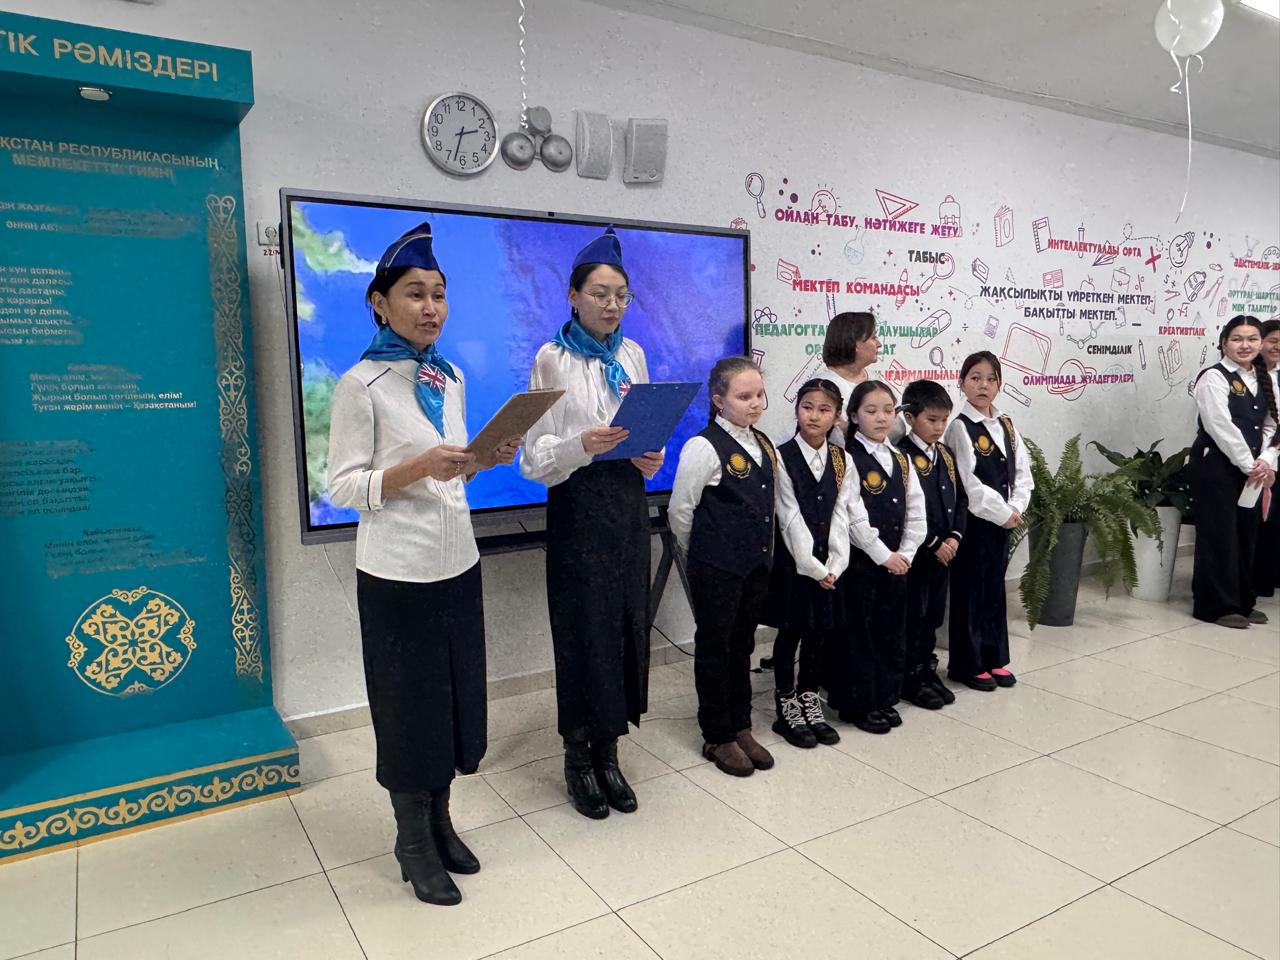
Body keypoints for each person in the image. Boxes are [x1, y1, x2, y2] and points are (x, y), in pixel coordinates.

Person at [327, 222, 520, 906]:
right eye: (415, 293)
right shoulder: (362, 384)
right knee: (409, 710)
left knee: (452, 702)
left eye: (439, 293)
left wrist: (482, 460)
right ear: (380, 304)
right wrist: (414, 467)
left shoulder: (450, 375)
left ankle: (441, 821)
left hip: (457, 565)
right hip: (397, 576)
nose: (431, 307)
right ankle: (411, 841)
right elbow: (342, 487)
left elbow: (450, 477)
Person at [520, 226, 663, 820]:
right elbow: (533, 458)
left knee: (626, 623)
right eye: (600, 294)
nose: (612, 305)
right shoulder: (551, 358)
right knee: (583, 630)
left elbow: (643, 430)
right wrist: (582, 444)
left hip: (627, 504)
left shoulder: (633, 355)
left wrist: (649, 456)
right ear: (573, 296)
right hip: (577, 506)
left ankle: (610, 751)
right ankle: (578, 756)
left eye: (621, 295)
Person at [668, 357, 778, 776]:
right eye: (744, 396)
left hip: (754, 565)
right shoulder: (703, 446)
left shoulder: (762, 442)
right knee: (715, 647)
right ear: (718, 400)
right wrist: (703, 553)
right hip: (716, 566)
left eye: (759, 395)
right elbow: (681, 512)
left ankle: (740, 724)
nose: (755, 403)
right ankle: (717, 734)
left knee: (743, 644)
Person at [828, 380, 925, 734]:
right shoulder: (847, 457)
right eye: (871, 411)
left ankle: (884, 697)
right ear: (854, 416)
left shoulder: (901, 459)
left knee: (890, 630)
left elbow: (917, 511)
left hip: (897, 564)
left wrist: (907, 552)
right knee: (860, 635)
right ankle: (858, 704)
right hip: (862, 565)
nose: (881, 418)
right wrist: (884, 555)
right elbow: (852, 514)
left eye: (888, 411)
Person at [761, 378, 850, 749]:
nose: (814, 416)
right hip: (793, 564)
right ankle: (786, 704)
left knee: (819, 632)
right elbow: (788, 515)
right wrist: (814, 567)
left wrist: (836, 564)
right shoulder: (780, 456)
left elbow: (843, 512)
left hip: (829, 565)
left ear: (837, 416)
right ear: (797, 410)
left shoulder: (841, 459)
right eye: (807, 407)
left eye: (824, 409)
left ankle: (809, 696)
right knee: (791, 631)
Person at [944, 352, 1033, 691]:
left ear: (999, 384)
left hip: (1003, 522)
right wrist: (1002, 513)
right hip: (974, 523)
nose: (983, 385)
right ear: (962, 382)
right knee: (970, 591)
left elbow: (1022, 472)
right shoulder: (960, 427)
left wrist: (1016, 507)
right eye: (975, 378)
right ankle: (967, 664)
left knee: (994, 590)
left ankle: (993, 657)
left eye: (991, 379)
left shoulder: (1006, 424)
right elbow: (968, 483)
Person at [1191, 316, 1277, 627]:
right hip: (1216, 466)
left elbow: (1272, 425)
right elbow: (1219, 426)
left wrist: (1266, 459)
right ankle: (1215, 606)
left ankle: (1242, 600)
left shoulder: (1264, 378)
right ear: (1224, 343)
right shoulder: (1213, 377)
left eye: (1252, 339)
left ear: (1261, 343)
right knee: (1219, 535)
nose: (1245, 345)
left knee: (1246, 533)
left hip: (1251, 470)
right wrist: (1248, 464)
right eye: (1237, 339)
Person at [898, 379, 966, 710]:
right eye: (931, 420)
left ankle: (927, 669)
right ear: (910, 418)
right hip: (919, 554)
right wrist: (934, 542)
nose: (939, 427)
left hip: (944, 554)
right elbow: (904, 509)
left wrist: (955, 536)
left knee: (933, 616)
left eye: (943, 420)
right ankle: (909, 676)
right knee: (914, 615)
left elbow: (960, 499)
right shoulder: (901, 454)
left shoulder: (946, 455)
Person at [821, 311, 882, 447]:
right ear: (854, 344)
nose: (879, 344)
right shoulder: (824, 387)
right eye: (873, 337)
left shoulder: (874, 378)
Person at [1254, 319, 1280, 599]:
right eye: (1273, 340)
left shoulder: (1276, 375)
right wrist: (1267, 462)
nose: (1277, 347)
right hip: (1255, 461)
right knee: (1260, 524)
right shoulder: (1250, 377)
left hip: (1271, 456)